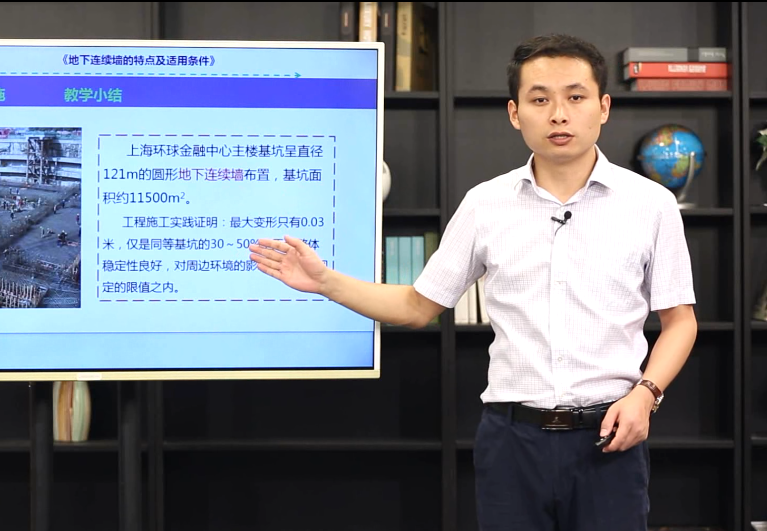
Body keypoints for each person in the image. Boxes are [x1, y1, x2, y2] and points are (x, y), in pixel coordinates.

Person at [247, 33, 697, 531]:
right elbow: (417, 306)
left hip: (611, 435)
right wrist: (326, 282)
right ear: (514, 113)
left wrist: (646, 394)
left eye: (575, 97)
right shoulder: (485, 204)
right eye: (540, 100)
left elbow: (680, 321)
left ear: (603, 107)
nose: (559, 115)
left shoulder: (651, 205)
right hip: (512, 442)